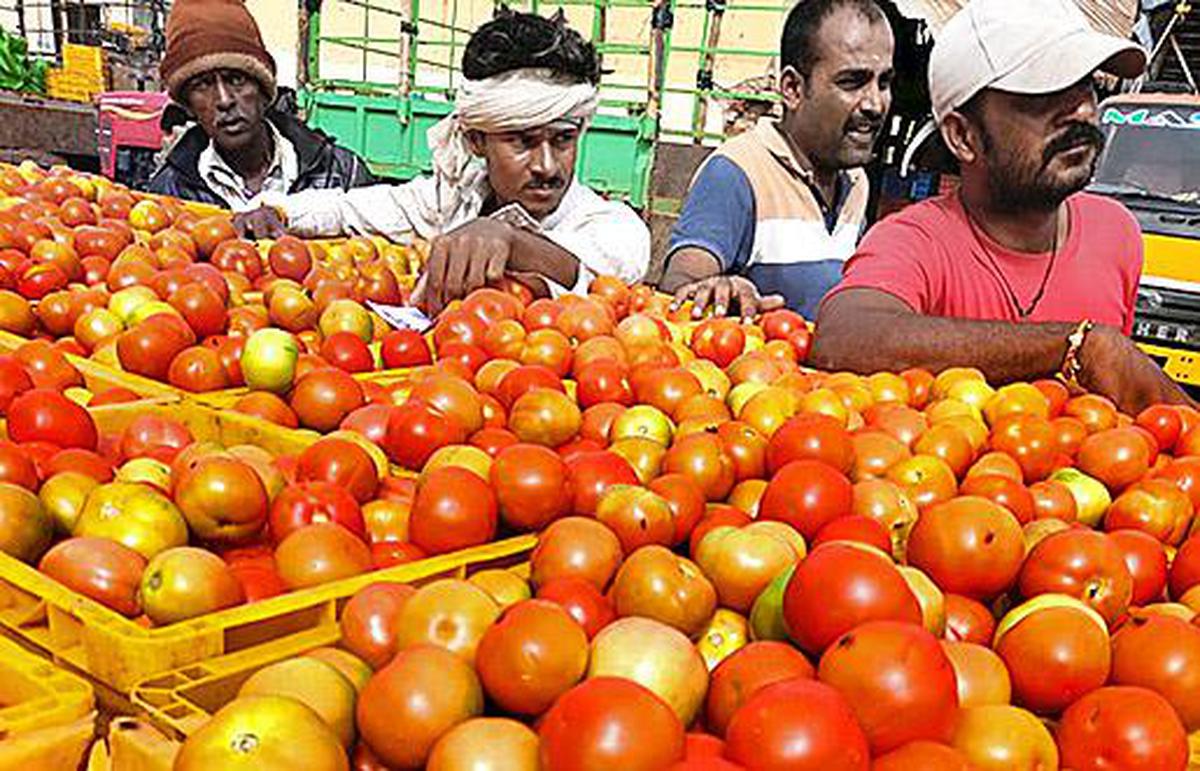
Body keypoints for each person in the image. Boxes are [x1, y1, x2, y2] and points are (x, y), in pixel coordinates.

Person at [810, 0, 1189, 413]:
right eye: (1044, 94)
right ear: (963, 137)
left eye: (1085, 86)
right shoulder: (914, 240)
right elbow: (846, 336)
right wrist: (1072, 345)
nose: (1082, 109)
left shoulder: (1117, 233)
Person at [235, 9, 651, 314]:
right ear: (475, 141)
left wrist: (509, 240)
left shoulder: (609, 224)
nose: (547, 165)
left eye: (563, 139)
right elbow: (352, 208)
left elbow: (601, 270)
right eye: (522, 142)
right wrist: (279, 209)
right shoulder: (450, 197)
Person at [660, 0, 894, 320]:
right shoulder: (737, 172)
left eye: (884, 82)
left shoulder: (856, 182)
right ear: (793, 88)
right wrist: (719, 289)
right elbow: (677, 288)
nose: (876, 104)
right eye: (852, 82)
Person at [147, 0, 375, 210]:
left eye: (236, 79)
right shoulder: (170, 193)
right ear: (189, 107)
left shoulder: (342, 174)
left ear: (263, 91)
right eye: (202, 86)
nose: (225, 100)